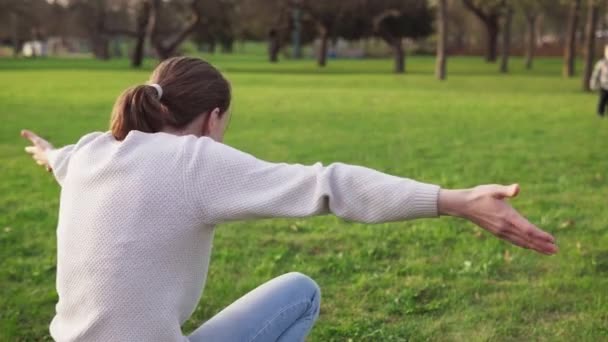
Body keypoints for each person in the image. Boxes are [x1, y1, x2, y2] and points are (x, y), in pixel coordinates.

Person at [21, 56, 557, 342]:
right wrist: (460, 200)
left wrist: (48, 153)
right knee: (300, 291)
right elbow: (331, 185)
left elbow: (62, 162)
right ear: (212, 120)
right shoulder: (195, 160)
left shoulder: (93, 151)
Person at [590, 45, 608, 117]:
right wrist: (593, 84)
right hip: (604, 86)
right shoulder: (601, 64)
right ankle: (600, 113)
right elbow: (595, 75)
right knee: (602, 100)